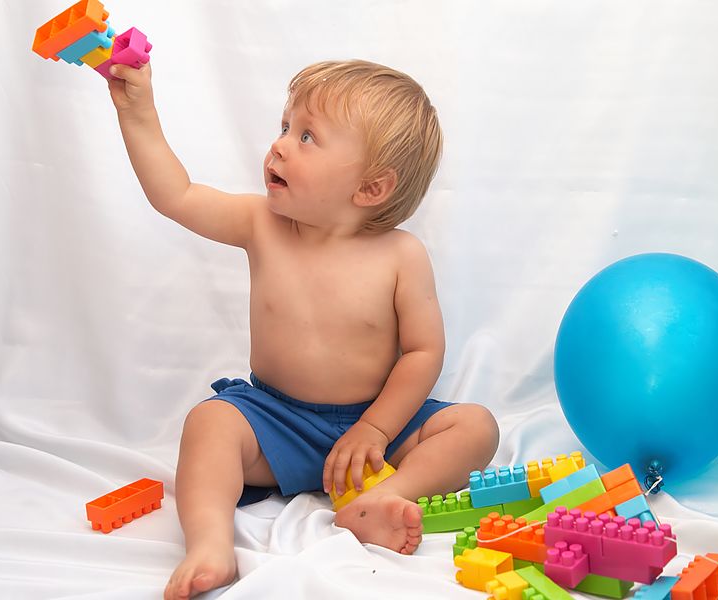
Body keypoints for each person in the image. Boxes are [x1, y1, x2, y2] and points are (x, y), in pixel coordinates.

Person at [107, 59, 500, 599]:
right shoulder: (260, 224)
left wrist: (378, 430)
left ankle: (382, 500)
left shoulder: (401, 256)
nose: (281, 145)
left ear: (370, 188)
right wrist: (138, 112)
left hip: (376, 428)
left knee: (476, 427)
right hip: (277, 421)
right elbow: (175, 196)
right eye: (285, 127)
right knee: (210, 425)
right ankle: (210, 543)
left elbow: (423, 352)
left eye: (308, 136)